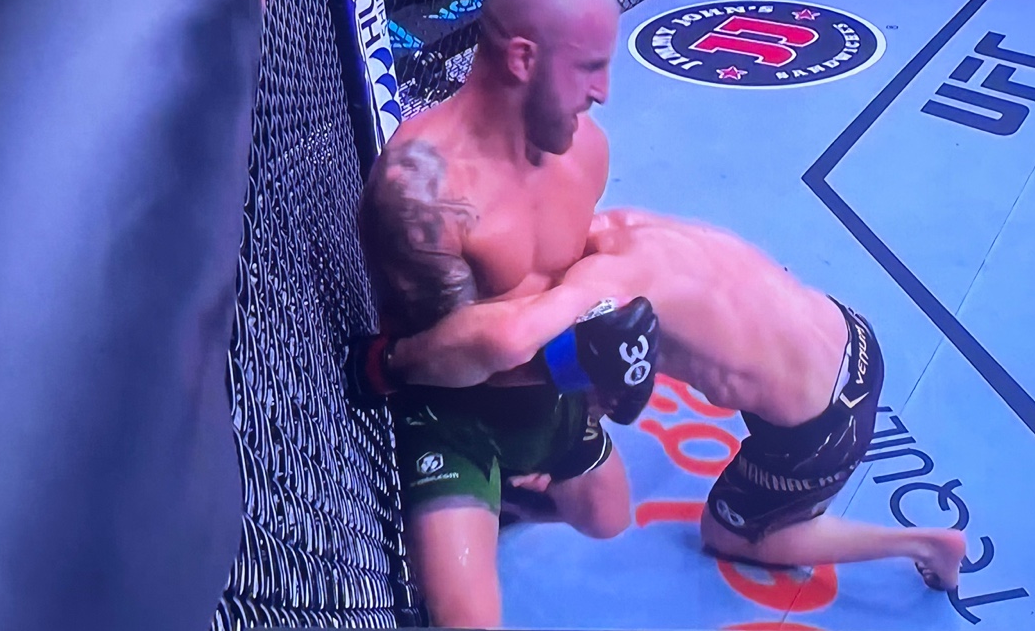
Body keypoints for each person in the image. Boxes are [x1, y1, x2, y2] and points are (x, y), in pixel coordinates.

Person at [346, 0, 658, 631]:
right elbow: (439, 358)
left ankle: (506, 501)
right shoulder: (420, 190)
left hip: (548, 396)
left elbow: (578, 269)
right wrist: (580, 331)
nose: (603, 91)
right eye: (589, 67)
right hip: (452, 416)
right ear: (522, 58)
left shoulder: (586, 150)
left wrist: (600, 361)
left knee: (609, 516)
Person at [375, 208, 968, 591]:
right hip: (849, 331)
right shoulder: (617, 225)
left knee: (729, 533)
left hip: (825, 423)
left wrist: (395, 364)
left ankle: (923, 543)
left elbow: (510, 347)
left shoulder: (599, 293)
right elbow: (623, 364)